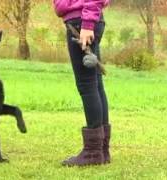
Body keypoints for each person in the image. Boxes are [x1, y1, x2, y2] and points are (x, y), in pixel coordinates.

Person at [53, 0, 111, 166]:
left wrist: (87, 23)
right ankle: (101, 150)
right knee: (95, 85)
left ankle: (93, 152)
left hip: (82, 22)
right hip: (84, 20)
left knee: (87, 86)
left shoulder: (84, 21)